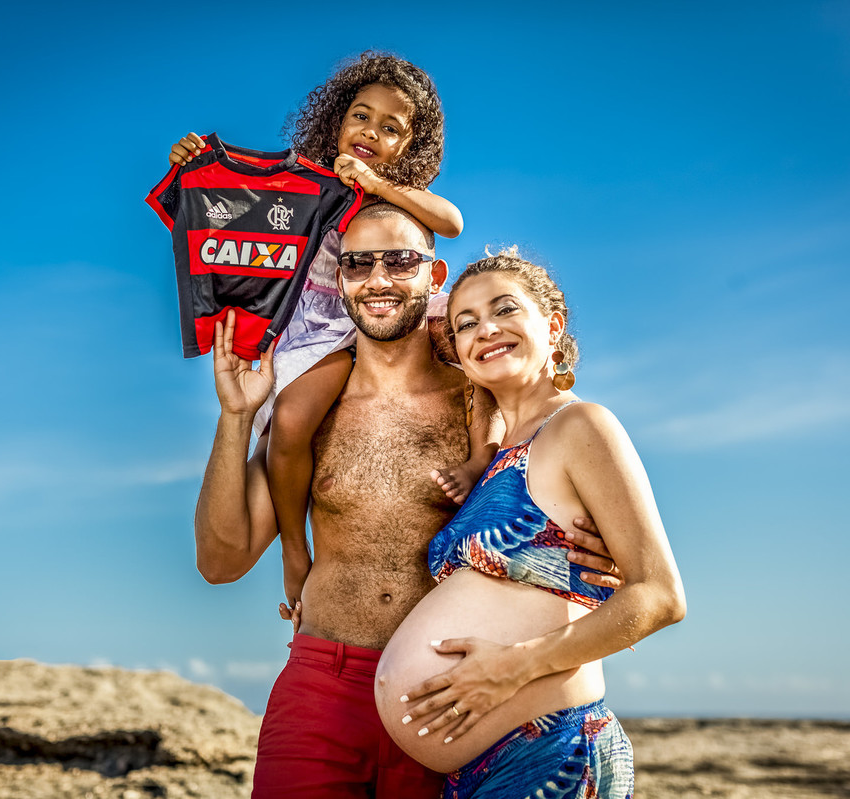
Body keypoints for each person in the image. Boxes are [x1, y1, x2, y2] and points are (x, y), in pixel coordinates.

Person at [194, 204, 623, 798]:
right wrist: (237, 416)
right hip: (322, 684)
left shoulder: (487, 404)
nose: (379, 279)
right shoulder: (310, 416)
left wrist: (596, 556)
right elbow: (221, 561)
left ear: (435, 275)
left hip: (452, 700)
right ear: (339, 279)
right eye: (359, 264)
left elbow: (564, 474)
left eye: (400, 262)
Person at [172, 53, 492, 613]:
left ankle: (480, 462)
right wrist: (192, 169)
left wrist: (374, 184)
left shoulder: (390, 194)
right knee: (288, 424)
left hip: (362, 324)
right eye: (360, 117)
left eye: (391, 128)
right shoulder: (306, 183)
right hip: (312, 327)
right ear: (335, 122)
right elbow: (231, 210)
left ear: (408, 149)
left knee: (477, 365)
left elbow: (452, 222)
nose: (371, 132)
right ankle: (296, 553)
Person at [372, 250, 687, 798]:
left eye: (504, 310)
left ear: (553, 327)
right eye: (465, 323)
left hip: (551, 758)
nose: (484, 329)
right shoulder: (496, 458)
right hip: (480, 770)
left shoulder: (580, 424)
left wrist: (514, 667)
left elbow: (660, 595)